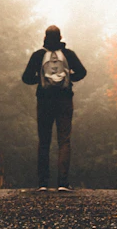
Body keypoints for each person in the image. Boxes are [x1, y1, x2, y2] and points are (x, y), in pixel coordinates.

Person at [22, 25, 87, 192]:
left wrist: (42, 79)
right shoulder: (68, 54)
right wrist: (67, 78)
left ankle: (43, 183)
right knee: (64, 140)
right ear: (60, 37)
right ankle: (63, 183)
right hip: (64, 100)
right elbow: (82, 72)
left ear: (45, 37)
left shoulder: (39, 55)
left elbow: (26, 78)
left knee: (44, 141)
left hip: (44, 101)